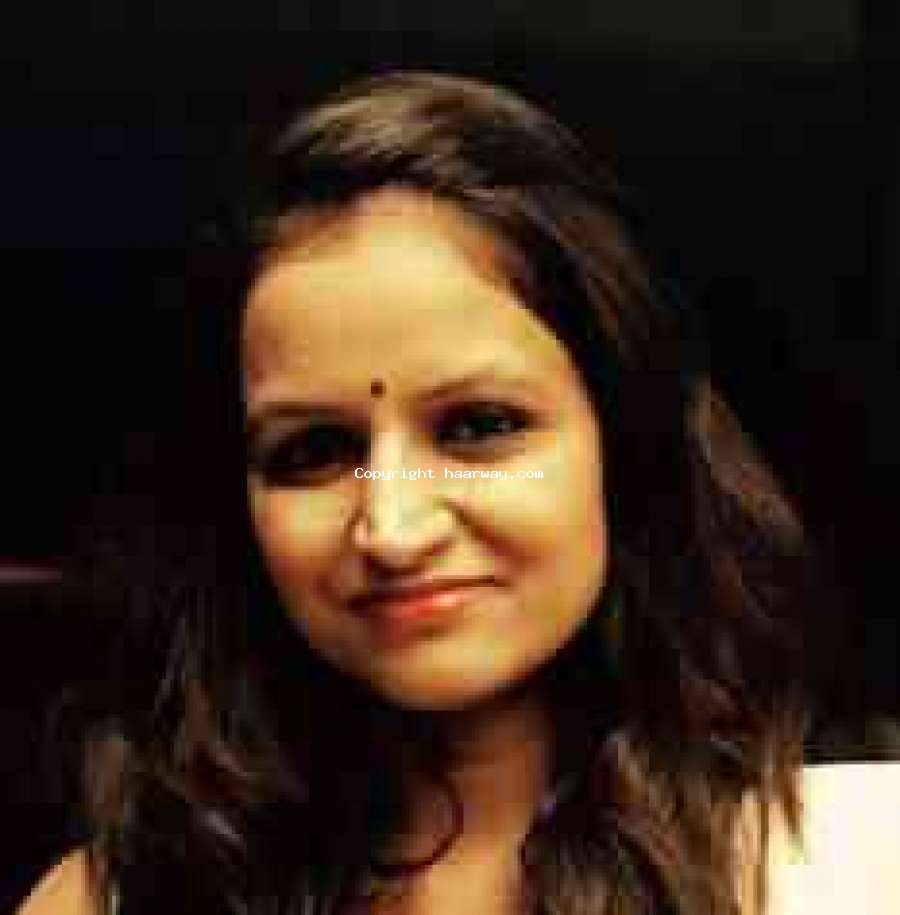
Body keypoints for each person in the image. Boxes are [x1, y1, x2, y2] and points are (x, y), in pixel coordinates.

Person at [17, 70, 900, 915]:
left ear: (623, 446)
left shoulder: (851, 857)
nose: (392, 526)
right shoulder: (120, 895)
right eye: (314, 450)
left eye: (478, 426)